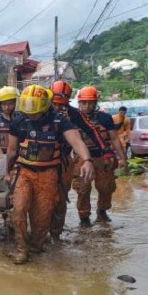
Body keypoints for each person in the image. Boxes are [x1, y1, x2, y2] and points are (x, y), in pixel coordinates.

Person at [5, 85, 95, 264]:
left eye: (35, 113)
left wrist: (87, 160)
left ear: (45, 106)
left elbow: (76, 141)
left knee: (42, 217)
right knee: (19, 209)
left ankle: (36, 246)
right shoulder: (18, 121)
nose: (31, 116)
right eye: (28, 112)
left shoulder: (59, 121)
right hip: (24, 172)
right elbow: (12, 149)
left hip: (48, 175)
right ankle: (21, 248)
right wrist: (7, 172)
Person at [48, 80, 111, 240]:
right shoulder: (39, 110)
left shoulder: (72, 114)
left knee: (61, 197)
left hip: (63, 159)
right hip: (39, 161)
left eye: (62, 104)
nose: (58, 108)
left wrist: (106, 150)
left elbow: (91, 131)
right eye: (55, 104)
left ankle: (56, 234)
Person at [71, 87, 126, 226]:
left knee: (106, 187)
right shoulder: (74, 118)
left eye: (90, 103)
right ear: (79, 103)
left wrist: (122, 158)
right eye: (84, 103)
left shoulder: (104, 118)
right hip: (82, 159)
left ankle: (102, 211)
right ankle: (84, 217)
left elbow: (114, 139)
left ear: (95, 103)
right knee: (83, 188)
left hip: (103, 158)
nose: (87, 106)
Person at [0, 86, 21, 156]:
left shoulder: (21, 120)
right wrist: (3, 160)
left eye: (10, 104)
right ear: (0, 105)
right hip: (1, 156)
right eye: (4, 104)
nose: (7, 107)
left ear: (16, 103)